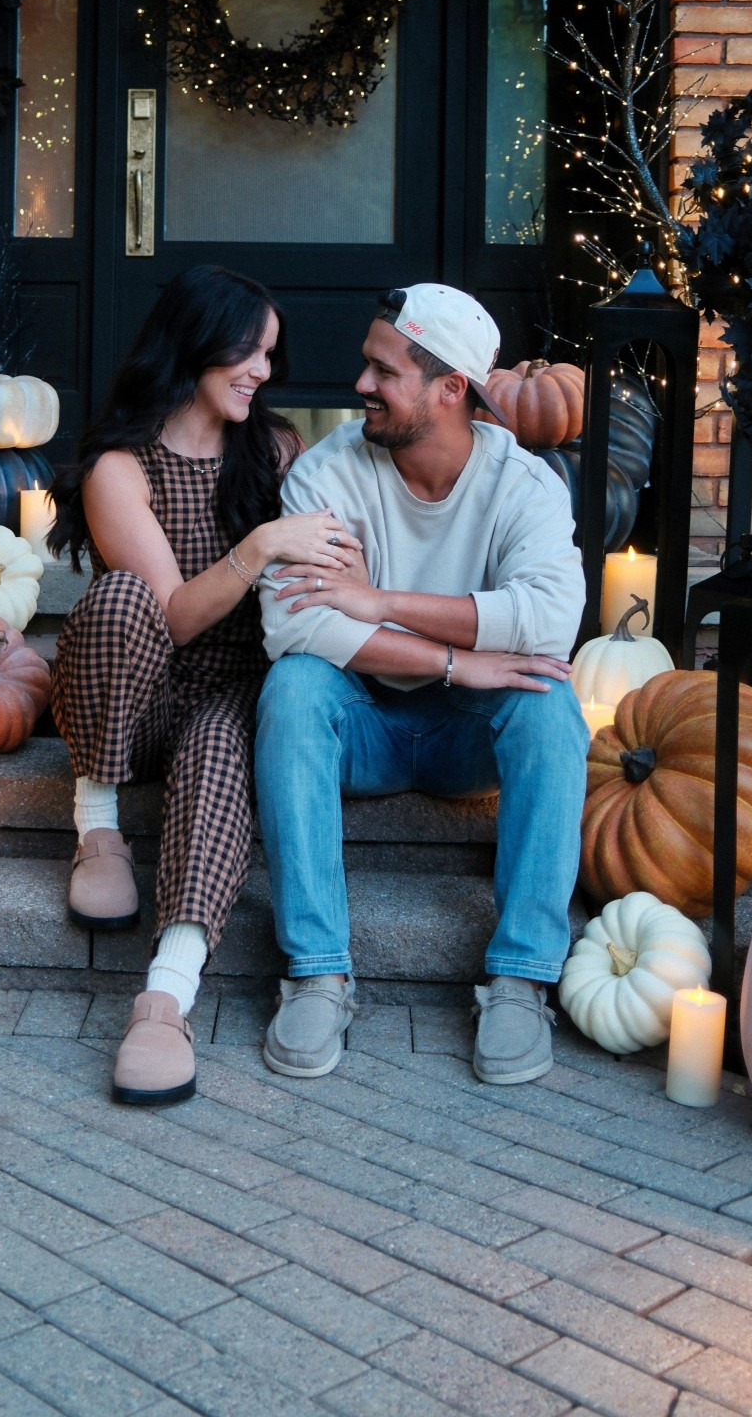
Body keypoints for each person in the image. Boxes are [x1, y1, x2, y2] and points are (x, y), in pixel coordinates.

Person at [254, 283, 588, 1088]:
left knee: (550, 702)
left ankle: (521, 977)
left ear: (451, 390)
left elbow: (548, 623)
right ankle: (317, 971)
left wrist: (380, 604)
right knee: (294, 688)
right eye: (368, 365)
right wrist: (453, 658)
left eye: (384, 370)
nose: (362, 384)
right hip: (361, 720)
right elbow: (292, 626)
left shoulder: (524, 486)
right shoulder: (327, 473)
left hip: (468, 734)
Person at [48, 264, 359, 1106]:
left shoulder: (278, 449)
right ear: (195, 346)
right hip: (136, 696)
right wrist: (259, 546)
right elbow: (174, 617)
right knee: (117, 601)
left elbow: (341, 550)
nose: (262, 371)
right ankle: (98, 825)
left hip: (229, 695)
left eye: (269, 355)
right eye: (247, 353)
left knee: (225, 747)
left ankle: (166, 998)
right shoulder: (122, 464)